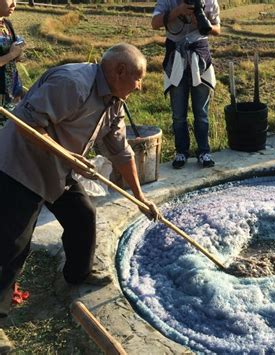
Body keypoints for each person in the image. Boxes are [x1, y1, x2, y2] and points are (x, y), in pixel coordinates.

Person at [0, 43, 160, 318]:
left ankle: (78, 273)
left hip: (59, 168)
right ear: (120, 71)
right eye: (139, 78)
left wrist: (140, 199)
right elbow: (26, 123)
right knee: (13, 244)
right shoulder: (72, 83)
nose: (140, 86)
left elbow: (121, 152)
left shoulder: (113, 101)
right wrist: (69, 157)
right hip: (20, 166)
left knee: (82, 216)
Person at [151, 0, 221, 169]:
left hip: (200, 57)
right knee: (178, 114)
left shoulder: (209, 1)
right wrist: (177, 11)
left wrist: (204, 23)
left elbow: (218, 29)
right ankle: (181, 152)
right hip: (175, 57)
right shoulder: (168, 1)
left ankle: (204, 152)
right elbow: (154, 23)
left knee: (201, 113)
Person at [0, 0, 24, 119]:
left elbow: (13, 53)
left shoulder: (7, 24)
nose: (14, 4)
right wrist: (11, 55)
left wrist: (18, 53)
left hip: (12, 90)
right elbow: (10, 55)